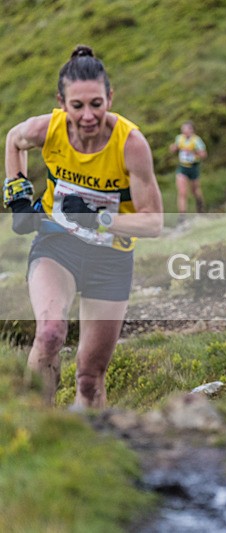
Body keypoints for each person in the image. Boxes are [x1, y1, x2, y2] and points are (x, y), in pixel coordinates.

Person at [3, 45, 163, 408]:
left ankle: (88, 448)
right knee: (49, 333)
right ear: (61, 102)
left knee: (89, 378)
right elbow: (14, 139)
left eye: (96, 104)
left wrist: (99, 217)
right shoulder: (48, 128)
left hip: (111, 259)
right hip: (57, 244)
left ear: (110, 97)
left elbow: (153, 222)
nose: (88, 116)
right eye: (77, 106)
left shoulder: (130, 144)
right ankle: (32, 427)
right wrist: (17, 195)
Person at [169, 120, 207, 218]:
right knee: (182, 192)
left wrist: (193, 151)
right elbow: (174, 148)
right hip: (182, 167)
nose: (184, 131)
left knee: (195, 191)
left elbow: (203, 154)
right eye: (183, 129)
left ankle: (200, 208)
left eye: (186, 129)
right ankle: (182, 216)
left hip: (193, 167)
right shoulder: (179, 138)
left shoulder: (196, 141)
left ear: (192, 130)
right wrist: (173, 148)